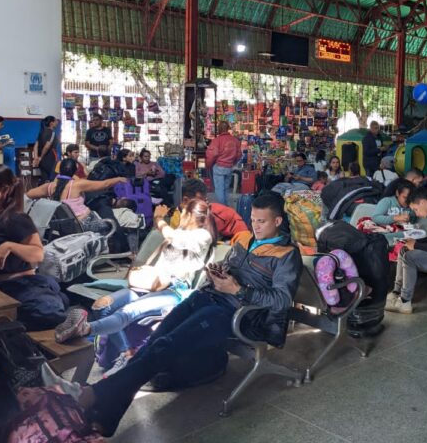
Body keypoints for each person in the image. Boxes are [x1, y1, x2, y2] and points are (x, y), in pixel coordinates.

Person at [50, 193, 302, 437]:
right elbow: (233, 268)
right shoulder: (246, 240)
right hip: (210, 297)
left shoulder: (287, 255)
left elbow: (281, 299)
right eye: (254, 220)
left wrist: (239, 289)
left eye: (262, 221)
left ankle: (94, 394)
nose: (255, 226)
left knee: (166, 346)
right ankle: (108, 416)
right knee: (155, 341)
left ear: (277, 221)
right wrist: (219, 272)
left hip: (239, 314)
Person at [54, 199, 218, 377]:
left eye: (183, 212)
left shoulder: (203, 236)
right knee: (102, 306)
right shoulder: (179, 231)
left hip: (174, 289)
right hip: (150, 282)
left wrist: (160, 219)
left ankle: (86, 329)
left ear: (193, 216)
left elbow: (174, 238)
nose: (180, 215)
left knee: (127, 311)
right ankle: (126, 352)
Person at [0, 165, 66, 329]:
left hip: (18, 287)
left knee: (46, 313)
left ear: (5, 189)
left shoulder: (16, 219)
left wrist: (9, 246)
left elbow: (38, 254)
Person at [26, 159, 127, 233]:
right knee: (111, 225)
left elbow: (28, 195)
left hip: (60, 226)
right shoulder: (77, 184)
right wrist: (118, 179)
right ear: (74, 172)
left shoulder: (49, 187)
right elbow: (104, 184)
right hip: (83, 223)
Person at [205, 121, 242, 206]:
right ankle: (226, 207)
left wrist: (208, 165)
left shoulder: (217, 141)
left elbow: (211, 155)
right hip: (229, 167)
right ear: (227, 128)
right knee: (226, 189)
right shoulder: (235, 140)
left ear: (219, 129)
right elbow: (239, 154)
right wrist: (233, 163)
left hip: (219, 167)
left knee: (219, 189)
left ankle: (222, 208)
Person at [33, 116, 59, 182]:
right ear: (51, 123)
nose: (57, 122)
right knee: (53, 180)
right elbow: (47, 146)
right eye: (56, 121)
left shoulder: (41, 132)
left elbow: (36, 145)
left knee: (44, 179)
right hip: (49, 160)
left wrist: (36, 158)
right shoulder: (52, 133)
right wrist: (41, 157)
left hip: (41, 161)